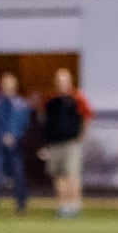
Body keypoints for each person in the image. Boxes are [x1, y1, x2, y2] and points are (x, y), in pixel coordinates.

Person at [41, 67, 93, 218]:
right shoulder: (51, 99)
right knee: (58, 176)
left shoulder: (77, 98)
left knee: (72, 174)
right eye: (59, 81)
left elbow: (87, 116)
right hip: (55, 143)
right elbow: (44, 117)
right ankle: (63, 206)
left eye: (64, 81)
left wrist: (81, 135)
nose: (61, 84)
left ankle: (75, 205)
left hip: (71, 143)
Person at [0, 71, 30, 216]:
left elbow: (25, 125)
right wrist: (1, 136)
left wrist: (15, 136)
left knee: (19, 177)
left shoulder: (22, 105)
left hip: (16, 147)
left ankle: (21, 205)